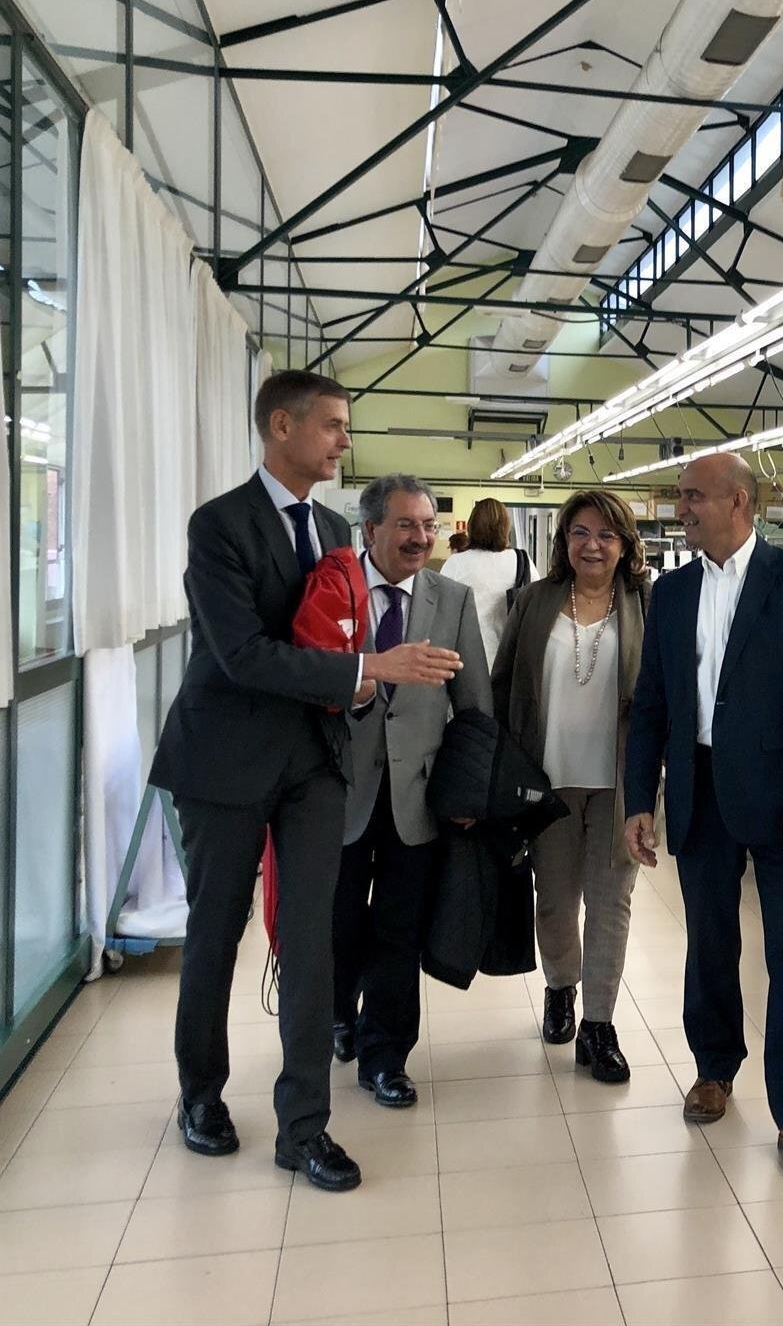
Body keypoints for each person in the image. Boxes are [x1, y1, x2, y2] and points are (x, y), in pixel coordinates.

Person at [151, 370, 461, 1193]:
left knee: (313, 940)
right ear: (281, 427)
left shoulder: (331, 528)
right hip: (224, 759)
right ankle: (200, 1095)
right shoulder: (219, 525)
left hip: (315, 762)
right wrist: (369, 667)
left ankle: (303, 1127)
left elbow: (335, 631)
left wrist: (359, 678)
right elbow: (242, 655)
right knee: (215, 933)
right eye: (331, 425)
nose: (343, 441)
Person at [622, 453, 783, 1164]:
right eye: (681, 496)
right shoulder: (672, 592)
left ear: (738, 501)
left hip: (781, 800)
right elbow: (651, 705)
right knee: (711, 942)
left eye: (694, 496)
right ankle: (714, 1069)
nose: (681, 507)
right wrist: (639, 799)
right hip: (699, 787)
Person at [331, 474, 492, 1108]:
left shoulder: (452, 599)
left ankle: (387, 1057)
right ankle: (339, 1011)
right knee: (339, 923)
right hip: (340, 792)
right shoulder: (333, 588)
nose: (421, 537)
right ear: (370, 529)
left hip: (417, 797)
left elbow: (474, 706)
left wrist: (470, 794)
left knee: (399, 929)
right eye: (406, 525)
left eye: (429, 525)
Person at [492, 490, 651, 1083]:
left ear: (624, 545)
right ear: (564, 541)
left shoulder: (645, 604)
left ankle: (599, 1026)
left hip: (618, 782)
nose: (593, 545)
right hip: (547, 783)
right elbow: (503, 683)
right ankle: (561, 985)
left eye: (607, 535)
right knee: (556, 900)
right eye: (580, 533)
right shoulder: (534, 602)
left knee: (612, 903)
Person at [437, 498, 527, 669]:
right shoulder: (522, 561)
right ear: (505, 527)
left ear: (471, 526)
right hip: (510, 661)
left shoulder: (455, 563)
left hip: (464, 661)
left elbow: (441, 614)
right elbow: (535, 607)